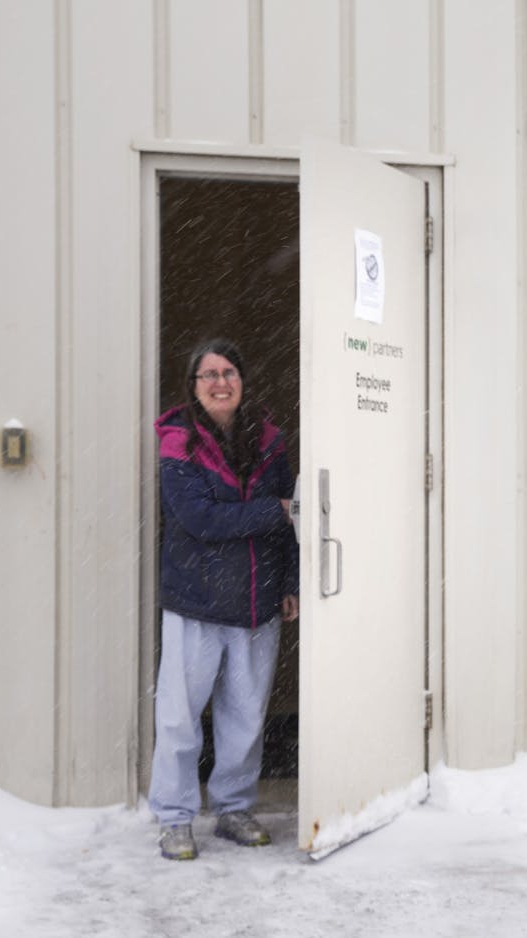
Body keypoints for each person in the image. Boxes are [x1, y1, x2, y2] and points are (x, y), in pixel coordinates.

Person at [149, 338, 299, 861]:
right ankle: (175, 818)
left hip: (256, 604)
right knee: (179, 717)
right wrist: (272, 510)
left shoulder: (271, 440)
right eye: (208, 374)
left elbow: (294, 520)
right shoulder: (178, 443)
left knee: (245, 716)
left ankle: (233, 808)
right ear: (193, 387)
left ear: (242, 380)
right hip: (195, 603)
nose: (220, 382)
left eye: (229, 371)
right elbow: (201, 520)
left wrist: (291, 582)